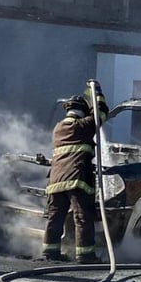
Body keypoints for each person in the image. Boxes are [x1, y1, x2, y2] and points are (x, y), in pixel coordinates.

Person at [41, 82, 109, 264]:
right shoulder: (82, 126)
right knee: (83, 217)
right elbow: (101, 114)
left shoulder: (58, 128)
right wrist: (97, 93)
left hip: (55, 181)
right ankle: (85, 255)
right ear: (83, 112)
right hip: (76, 180)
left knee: (55, 217)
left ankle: (50, 252)